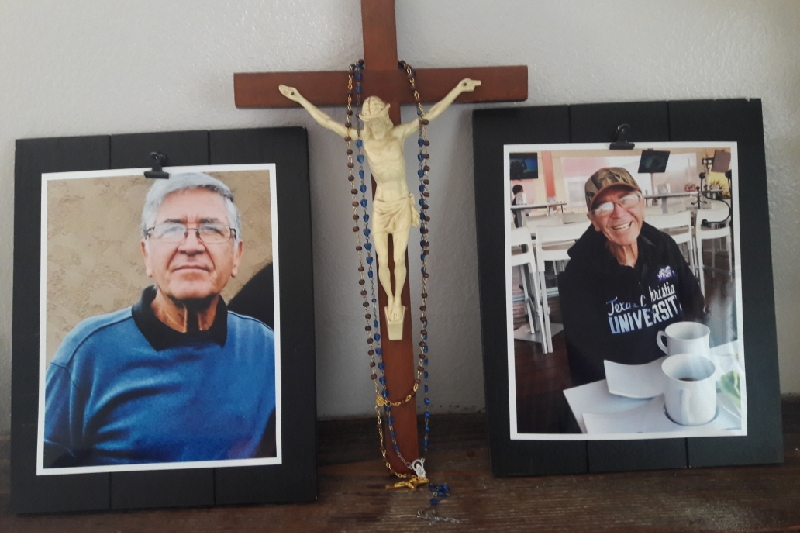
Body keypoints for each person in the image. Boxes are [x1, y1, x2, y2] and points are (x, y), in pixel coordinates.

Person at [44, 173, 276, 468]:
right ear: (147, 254)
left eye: (211, 229)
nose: (191, 246)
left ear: (236, 256)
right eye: (171, 229)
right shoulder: (87, 354)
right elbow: (46, 474)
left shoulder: (265, 349)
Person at [278, 79, 480, 337]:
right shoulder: (364, 138)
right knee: (382, 259)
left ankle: (396, 300)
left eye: (377, 119)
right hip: (381, 206)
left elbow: (430, 115)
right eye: (370, 121)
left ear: (384, 116)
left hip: (400, 203)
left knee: (398, 258)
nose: (373, 124)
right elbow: (328, 123)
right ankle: (391, 300)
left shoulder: (398, 134)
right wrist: (299, 99)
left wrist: (457, 90)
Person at [557, 168, 705, 386]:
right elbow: (584, 361)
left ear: (642, 204)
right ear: (593, 220)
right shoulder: (578, 275)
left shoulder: (664, 247)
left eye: (626, 199)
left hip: (678, 371)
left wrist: (691, 358)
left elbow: (694, 304)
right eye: (604, 206)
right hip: (622, 386)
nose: (618, 212)